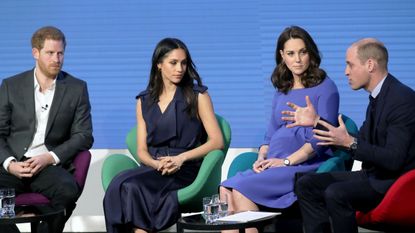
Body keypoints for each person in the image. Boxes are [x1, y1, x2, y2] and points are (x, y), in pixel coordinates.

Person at [282, 38, 415, 233]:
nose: (346, 71)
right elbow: (363, 142)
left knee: (336, 193)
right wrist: (317, 121)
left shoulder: (402, 99)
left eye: (350, 65)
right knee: (306, 184)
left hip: (394, 184)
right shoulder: (378, 97)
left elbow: (394, 159)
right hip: (373, 176)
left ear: (370, 65)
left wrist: (351, 143)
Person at [220, 26, 339, 233]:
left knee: (240, 190)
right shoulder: (282, 90)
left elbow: (321, 137)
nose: (298, 59)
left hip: (303, 165)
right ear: (282, 56)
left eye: (303, 52)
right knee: (226, 189)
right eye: (291, 54)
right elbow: (270, 135)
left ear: (310, 53)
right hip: (275, 163)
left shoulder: (326, 87)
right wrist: (261, 157)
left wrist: (286, 161)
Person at [103, 38, 224, 233]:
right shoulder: (143, 101)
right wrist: (156, 164)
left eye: (183, 63)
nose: (180, 69)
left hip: (186, 168)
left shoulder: (198, 95)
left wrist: (180, 158)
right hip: (155, 167)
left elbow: (217, 141)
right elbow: (142, 150)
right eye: (173, 63)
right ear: (159, 64)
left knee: (133, 187)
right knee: (120, 184)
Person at [0, 26, 93, 233]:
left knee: (68, 190)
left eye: (60, 53)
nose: (57, 59)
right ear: (36, 53)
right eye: (50, 53)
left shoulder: (77, 88)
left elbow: (84, 135)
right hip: (14, 165)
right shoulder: (10, 86)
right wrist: (9, 163)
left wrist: (49, 158)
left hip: (48, 166)